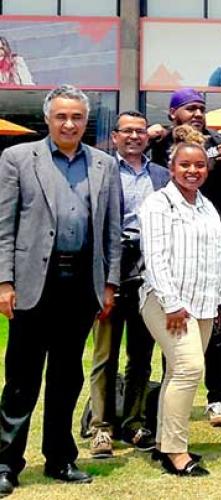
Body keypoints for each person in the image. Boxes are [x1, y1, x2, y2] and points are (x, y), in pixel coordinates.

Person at [0, 84, 121, 494]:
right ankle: (5, 463)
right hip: (34, 284)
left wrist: (110, 284)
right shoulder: (17, 159)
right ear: (48, 118)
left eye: (77, 117)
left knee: (67, 378)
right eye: (61, 116)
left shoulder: (104, 165)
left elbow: (112, 232)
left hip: (81, 287)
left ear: (86, 121)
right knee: (21, 379)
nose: (69, 124)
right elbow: (5, 228)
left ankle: (60, 458)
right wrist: (4, 282)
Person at [148, 88, 221, 427]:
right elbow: (131, 149)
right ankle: (173, 392)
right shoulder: (160, 144)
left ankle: (217, 396)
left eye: (202, 109)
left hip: (212, 252)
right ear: (173, 112)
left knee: (216, 327)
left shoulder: (220, 144)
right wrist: (150, 133)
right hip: (174, 252)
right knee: (175, 326)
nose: (198, 114)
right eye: (190, 108)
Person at [139, 126, 221, 477]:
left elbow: (214, 257)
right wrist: (172, 303)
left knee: (178, 371)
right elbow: (155, 257)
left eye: (200, 165)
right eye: (186, 165)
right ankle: (176, 451)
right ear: (172, 168)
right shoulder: (158, 204)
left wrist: (217, 303)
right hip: (166, 303)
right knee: (190, 369)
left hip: (203, 305)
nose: (193, 171)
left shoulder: (207, 207)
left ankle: (162, 442)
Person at [88, 111, 170, 459]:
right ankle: (101, 427)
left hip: (148, 269)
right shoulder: (101, 172)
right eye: (128, 132)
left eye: (141, 131)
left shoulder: (161, 175)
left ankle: (134, 421)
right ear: (115, 137)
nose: (135, 137)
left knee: (141, 354)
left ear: (147, 138)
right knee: (105, 353)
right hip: (110, 266)